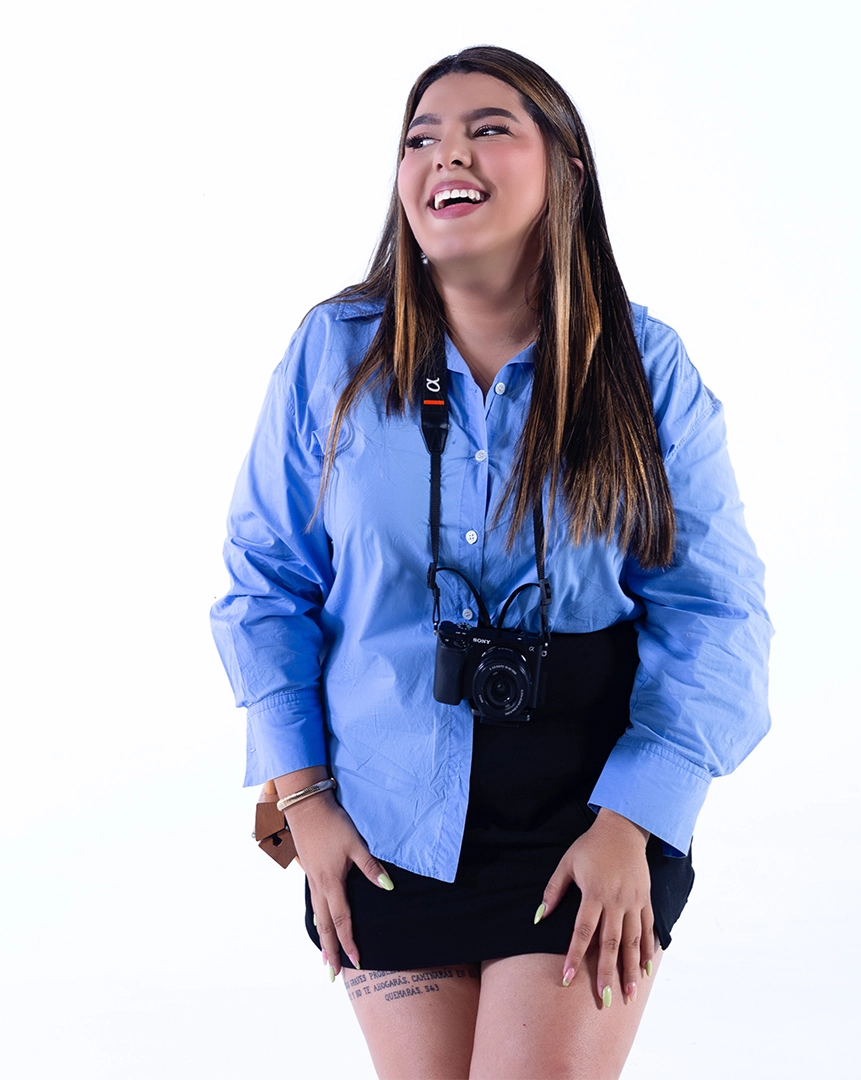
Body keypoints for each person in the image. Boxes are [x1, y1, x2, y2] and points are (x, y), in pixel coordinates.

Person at [211, 45, 771, 1080]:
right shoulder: (333, 353)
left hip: (591, 817)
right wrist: (305, 802)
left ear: (566, 170)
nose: (446, 155)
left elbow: (715, 612)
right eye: (420, 137)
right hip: (385, 818)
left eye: (488, 129)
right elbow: (265, 584)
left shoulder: (643, 367)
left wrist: (636, 821)